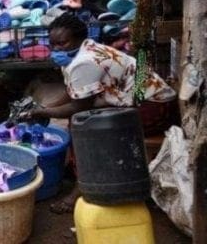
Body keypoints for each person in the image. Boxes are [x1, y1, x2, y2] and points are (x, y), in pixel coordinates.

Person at [27, 13, 177, 213]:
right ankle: (80, 170)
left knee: (82, 126)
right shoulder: (83, 50)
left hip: (154, 107)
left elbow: (78, 106)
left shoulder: (84, 61)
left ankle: (82, 186)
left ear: (79, 38)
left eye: (62, 43)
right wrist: (46, 108)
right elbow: (73, 91)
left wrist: (42, 113)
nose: (56, 48)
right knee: (80, 121)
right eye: (53, 43)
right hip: (136, 100)